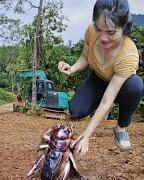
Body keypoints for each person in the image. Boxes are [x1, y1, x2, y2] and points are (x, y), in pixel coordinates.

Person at [58, 0, 143, 156]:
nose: (103, 38)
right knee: (76, 111)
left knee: (136, 85)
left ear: (123, 28)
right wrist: (72, 68)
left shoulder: (129, 54)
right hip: (97, 80)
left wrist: (87, 135)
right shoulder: (91, 31)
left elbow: (106, 100)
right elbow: (85, 57)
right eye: (99, 29)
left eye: (111, 32)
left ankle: (121, 127)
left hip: (120, 88)